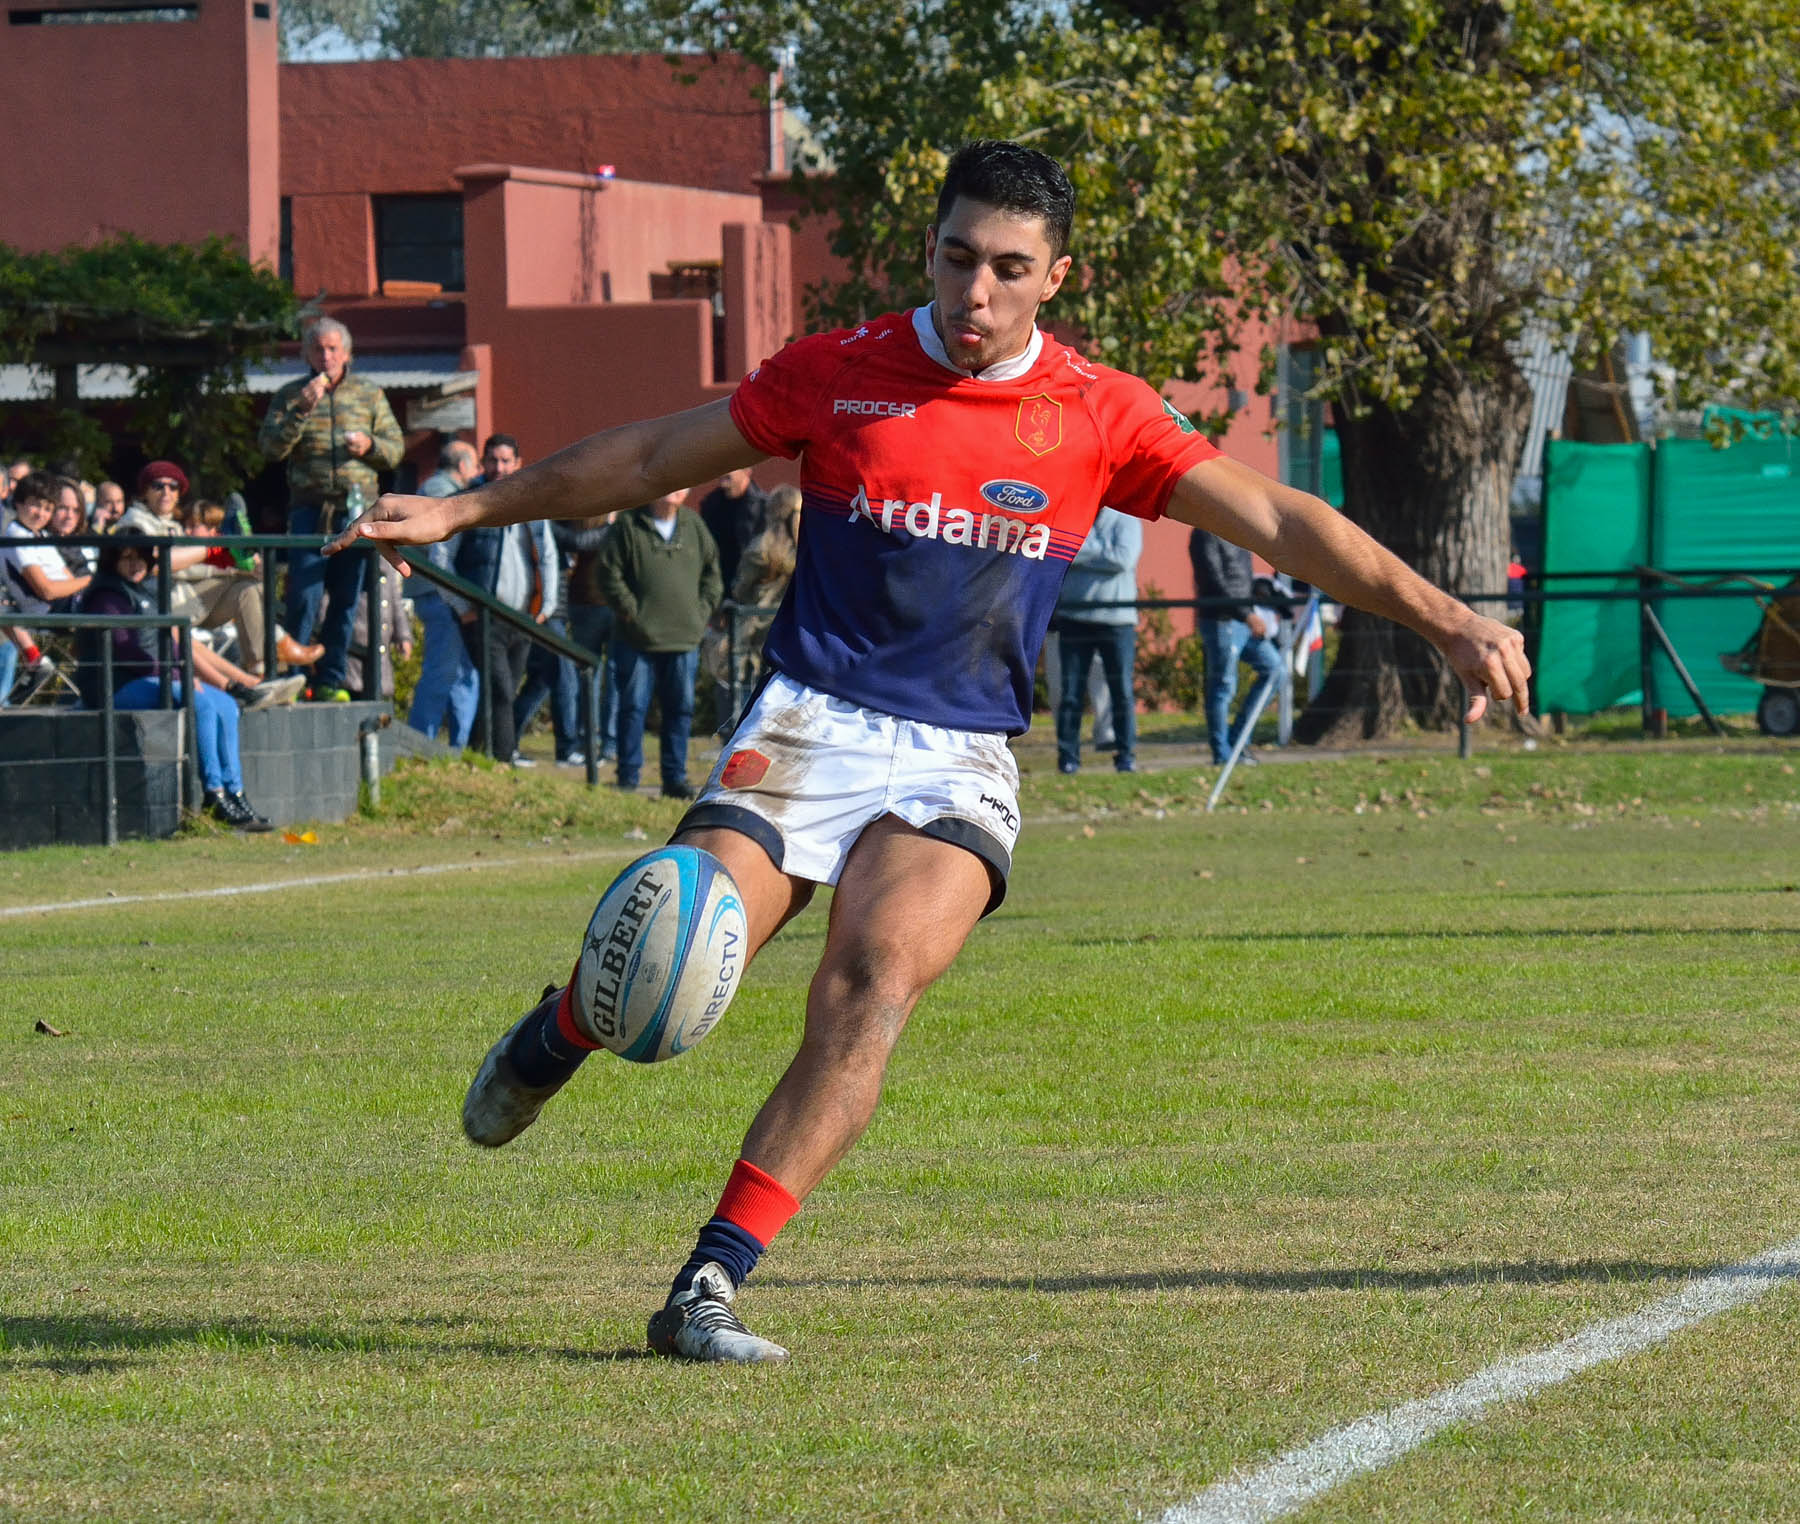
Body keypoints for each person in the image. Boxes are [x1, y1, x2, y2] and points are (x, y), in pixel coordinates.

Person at [327, 139, 1531, 1366]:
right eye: (958, 257)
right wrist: (462, 506)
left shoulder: (1100, 411)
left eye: (1010, 268)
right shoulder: (838, 372)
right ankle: (557, 1038)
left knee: (874, 986)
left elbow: (1278, 517)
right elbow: (647, 459)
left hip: (959, 758)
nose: (976, 292)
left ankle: (707, 1286)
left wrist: (1448, 616)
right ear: (931, 249)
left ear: (1055, 278)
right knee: (668, 942)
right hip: (810, 724)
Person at [76, 539, 278, 828]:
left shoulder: (147, 589)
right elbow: (127, 650)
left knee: (225, 704)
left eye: (141, 558)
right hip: (115, 685)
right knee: (203, 705)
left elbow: (171, 643)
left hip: (154, 678)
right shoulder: (107, 595)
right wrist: (176, 675)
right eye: (127, 558)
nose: (135, 565)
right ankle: (214, 793)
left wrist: (184, 673)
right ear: (113, 561)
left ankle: (235, 791)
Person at [257, 317, 404, 701]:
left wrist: (369, 446)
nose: (326, 356)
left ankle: (331, 680)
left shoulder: (369, 394)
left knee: (346, 598)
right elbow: (270, 449)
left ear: (347, 353)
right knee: (303, 596)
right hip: (309, 510)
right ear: (306, 353)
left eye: (333, 348)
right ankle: (293, 676)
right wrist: (300, 413)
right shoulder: (292, 394)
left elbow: (395, 451)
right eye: (319, 349)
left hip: (356, 513)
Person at [593, 486, 721, 798]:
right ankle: (628, 777)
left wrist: (699, 613)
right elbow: (608, 573)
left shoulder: (694, 525)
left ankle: (674, 778)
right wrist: (631, 612)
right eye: (668, 483)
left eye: (681, 485)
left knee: (680, 710)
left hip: (684, 638)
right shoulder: (628, 526)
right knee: (633, 708)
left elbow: (712, 575)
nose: (673, 490)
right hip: (636, 639)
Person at [444, 434, 558, 764]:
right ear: (482, 463)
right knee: (501, 689)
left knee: (502, 690)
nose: (499, 467)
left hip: (522, 616)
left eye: (506, 460)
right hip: (483, 615)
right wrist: (461, 606)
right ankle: (503, 760)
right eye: (493, 460)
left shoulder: (531, 503)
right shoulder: (466, 501)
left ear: (518, 463)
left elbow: (548, 553)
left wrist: (546, 606)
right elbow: (440, 557)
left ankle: (479, 755)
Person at [1052, 506, 1142, 774]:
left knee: (1122, 691)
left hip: (1118, 619)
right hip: (1074, 615)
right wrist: (1102, 551)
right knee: (1071, 692)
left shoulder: (1129, 517)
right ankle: (1068, 758)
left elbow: (1124, 558)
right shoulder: (1074, 514)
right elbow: (1063, 552)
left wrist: (1085, 549)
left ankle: (1126, 755)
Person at [702, 482, 801, 716]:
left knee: (745, 692)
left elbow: (740, 590)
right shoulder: (808, 550)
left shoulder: (761, 549)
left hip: (755, 630)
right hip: (791, 634)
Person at [407, 438, 481, 748]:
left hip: (437, 595)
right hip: (441, 597)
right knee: (443, 672)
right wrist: (459, 601)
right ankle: (418, 743)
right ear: (462, 466)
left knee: (462, 674)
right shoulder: (442, 493)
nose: (478, 473)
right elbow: (439, 547)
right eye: (476, 464)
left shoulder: (430, 487)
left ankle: (458, 745)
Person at [1190, 526, 1283, 765]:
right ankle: (1222, 755)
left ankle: (1239, 742)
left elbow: (1242, 577)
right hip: (1221, 621)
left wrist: (1257, 600)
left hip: (1244, 619)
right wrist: (1246, 615)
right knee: (1223, 687)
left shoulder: (1238, 532)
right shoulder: (1205, 533)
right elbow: (1213, 581)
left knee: (1275, 671)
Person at [697, 466, 769, 599]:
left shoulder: (764, 508)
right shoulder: (710, 505)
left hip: (751, 592)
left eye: (728, 478)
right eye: (721, 478)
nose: (723, 484)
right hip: (719, 590)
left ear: (746, 471)